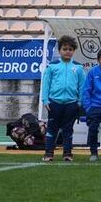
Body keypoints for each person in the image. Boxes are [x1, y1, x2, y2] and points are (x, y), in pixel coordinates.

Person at [40, 35, 85, 163]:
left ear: (73, 51)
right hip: (54, 103)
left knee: (68, 129)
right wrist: (45, 100)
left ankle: (67, 153)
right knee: (52, 129)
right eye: (65, 49)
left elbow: (82, 85)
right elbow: (46, 84)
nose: (67, 51)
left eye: (70, 49)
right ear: (59, 50)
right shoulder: (52, 66)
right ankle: (48, 153)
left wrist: (80, 101)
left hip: (71, 104)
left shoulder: (78, 67)